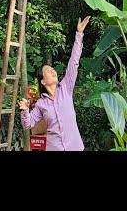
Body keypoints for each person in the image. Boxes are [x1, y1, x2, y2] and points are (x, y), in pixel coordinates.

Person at [19, 16, 91, 151]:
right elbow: (27, 124)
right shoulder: (41, 104)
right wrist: (24, 110)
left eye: (52, 69)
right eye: (48, 70)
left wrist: (79, 34)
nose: (52, 70)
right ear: (43, 81)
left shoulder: (66, 88)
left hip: (74, 147)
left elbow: (74, 62)